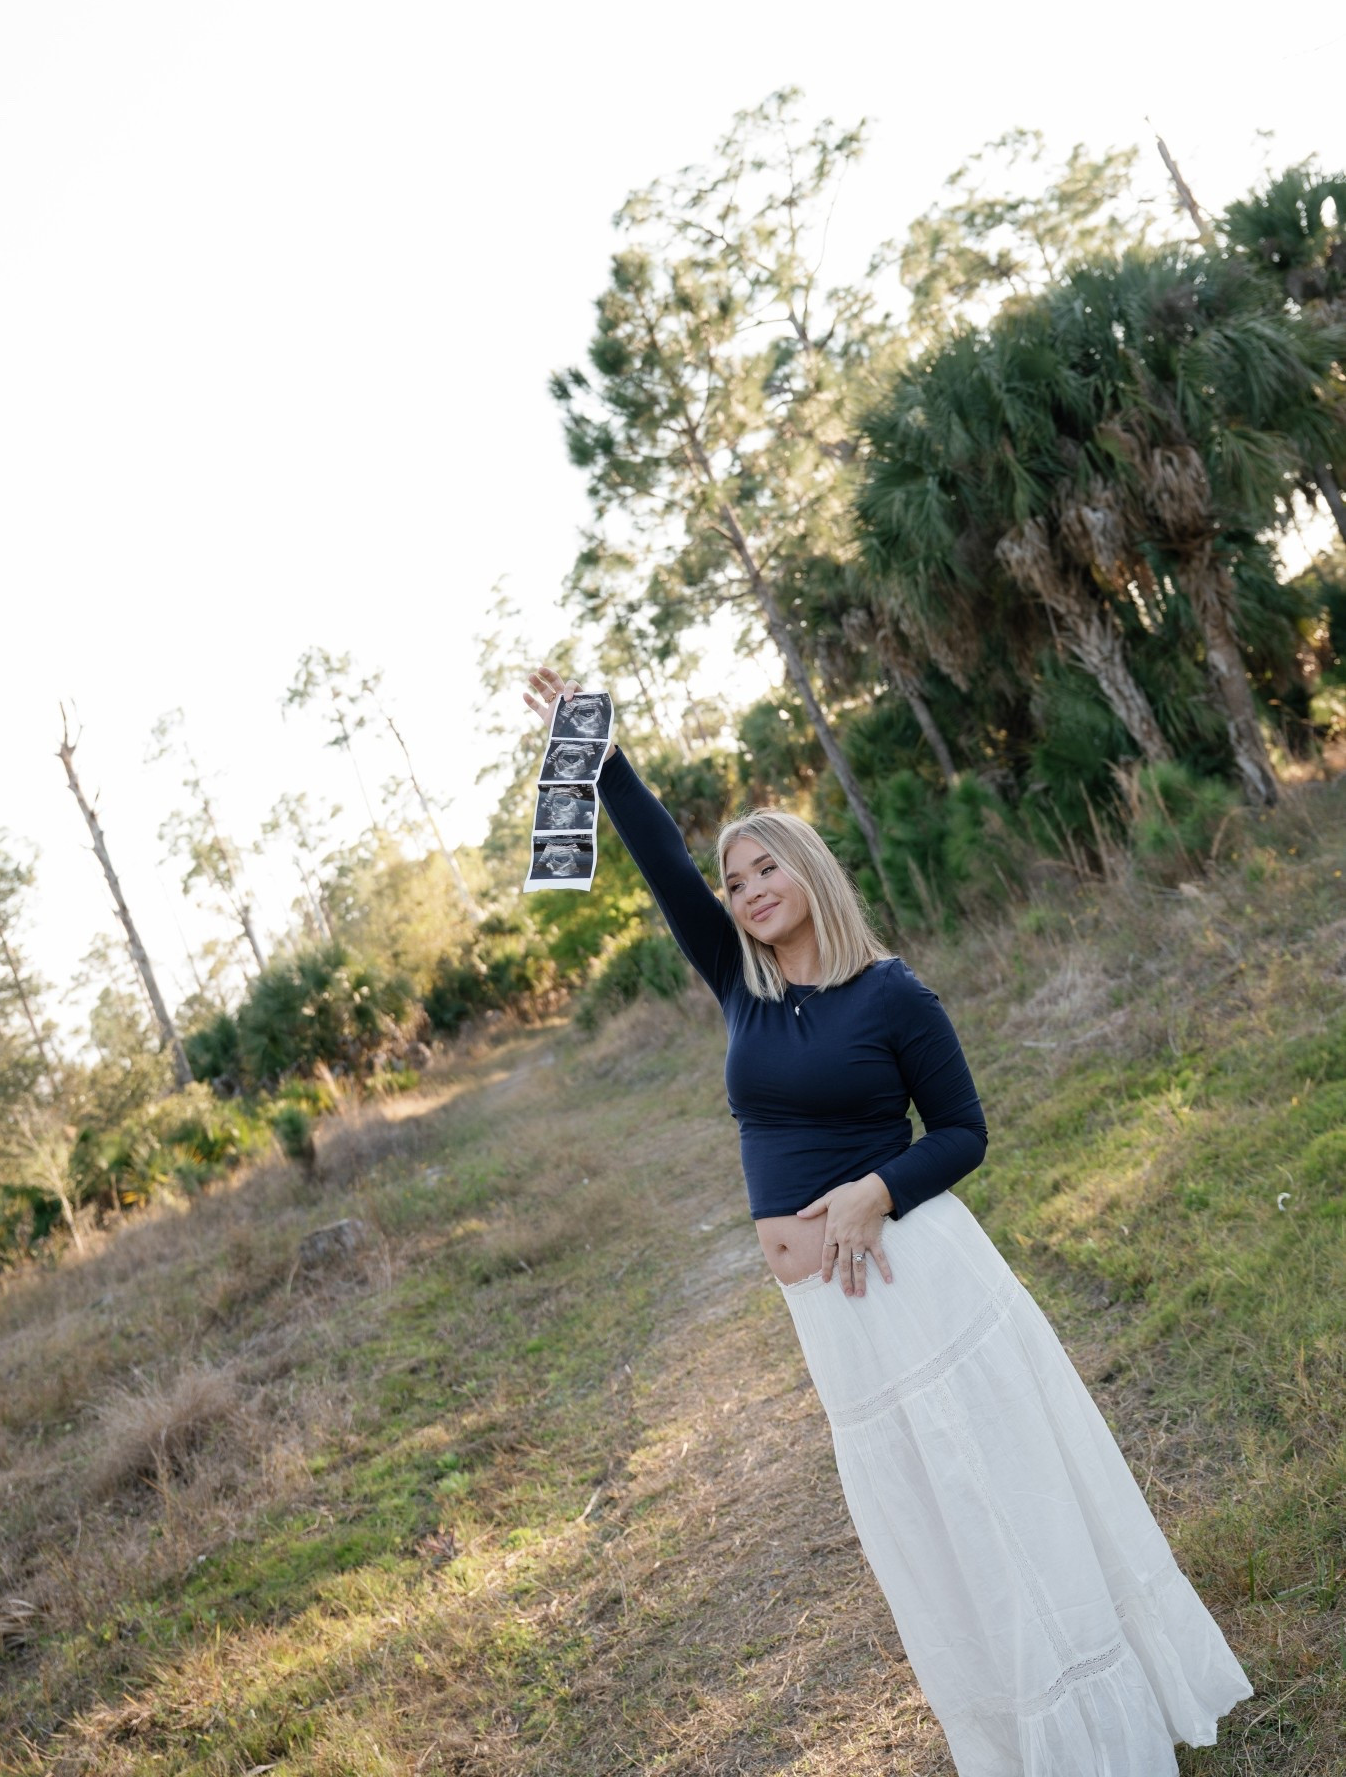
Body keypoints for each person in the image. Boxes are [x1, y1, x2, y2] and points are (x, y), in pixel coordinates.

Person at [522, 664, 1254, 1777]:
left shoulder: (892, 994)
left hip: (919, 1281)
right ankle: (1021, 1738)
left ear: (810, 870)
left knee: (999, 1492)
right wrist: (598, 749)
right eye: (735, 877)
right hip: (838, 1320)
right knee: (936, 1527)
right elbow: (661, 861)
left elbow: (962, 1131)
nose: (748, 885)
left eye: (768, 864)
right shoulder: (739, 982)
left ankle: (1102, 1730)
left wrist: (878, 1188)